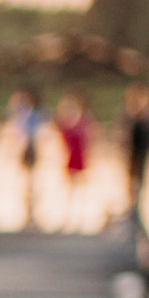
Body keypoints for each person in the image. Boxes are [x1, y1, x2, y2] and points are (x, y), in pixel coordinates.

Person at [9, 84, 44, 227]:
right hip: (25, 148)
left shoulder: (34, 113)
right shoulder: (25, 112)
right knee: (25, 182)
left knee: (30, 182)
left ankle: (30, 212)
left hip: (30, 147)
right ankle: (27, 212)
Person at [57, 87, 93, 223]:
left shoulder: (83, 122)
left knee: (80, 187)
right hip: (72, 157)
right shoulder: (72, 123)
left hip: (79, 157)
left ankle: (79, 215)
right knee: (70, 187)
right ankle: (70, 215)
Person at [124, 83, 149, 223]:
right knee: (135, 183)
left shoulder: (144, 122)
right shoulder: (137, 122)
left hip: (139, 156)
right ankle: (133, 209)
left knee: (136, 183)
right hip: (136, 156)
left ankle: (134, 208)